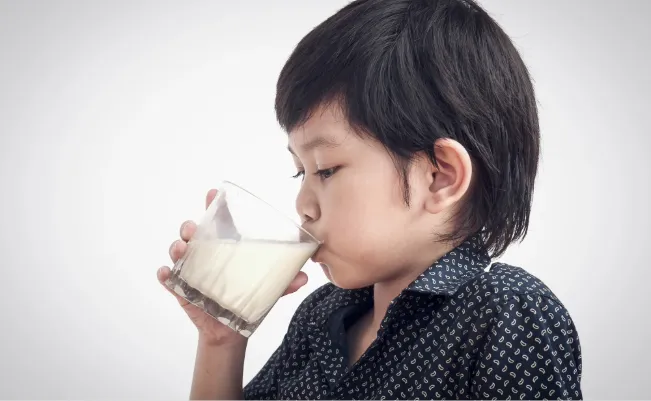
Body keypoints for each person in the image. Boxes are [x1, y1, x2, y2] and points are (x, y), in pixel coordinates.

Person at [157, 0, 583, 399]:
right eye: (299, 171)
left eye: (325, 169)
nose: (303, 204)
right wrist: (221, 342)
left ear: (440, 177)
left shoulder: (507, 312)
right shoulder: (322, 316)